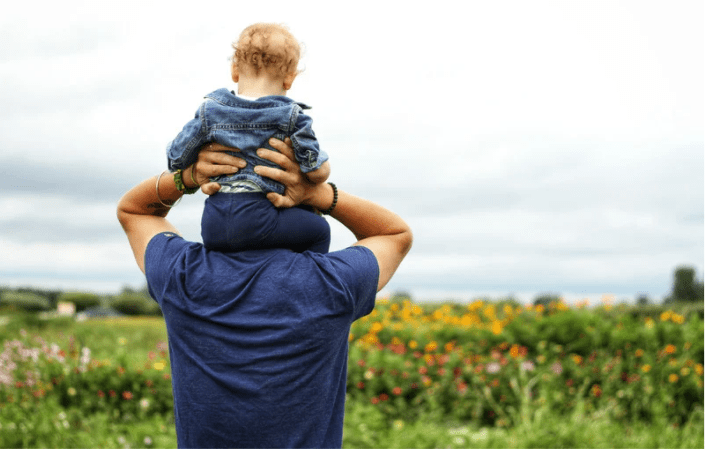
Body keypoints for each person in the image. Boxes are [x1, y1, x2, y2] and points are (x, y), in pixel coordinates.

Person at [117, 138, 412, 448]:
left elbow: (135, 211)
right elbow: (393, 234)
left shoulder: (184, 275)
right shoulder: (332, 282)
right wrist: (320, 194)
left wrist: (187, 177)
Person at [167, 23, 331, 253]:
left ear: (234, 71)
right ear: (289, 79)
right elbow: (316, 171)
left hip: (213, 222)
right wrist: (322, 171)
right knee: (319, 230)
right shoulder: (292, 116)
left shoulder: (210, 111)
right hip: (261, 218)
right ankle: (307, 282)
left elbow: (176, 158)